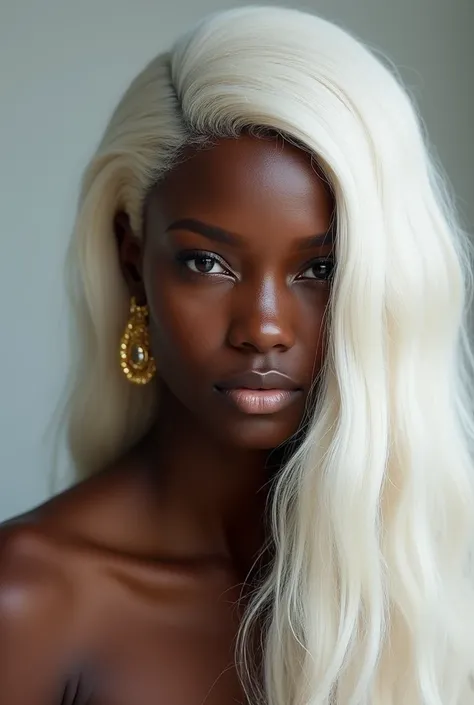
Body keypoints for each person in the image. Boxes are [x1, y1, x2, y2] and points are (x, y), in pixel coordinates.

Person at [1, 5, 474, 705]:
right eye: (207, 262)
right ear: (133, 260)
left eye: (319, 270)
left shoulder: (438, 584)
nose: (263, 328)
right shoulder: (30, 599)